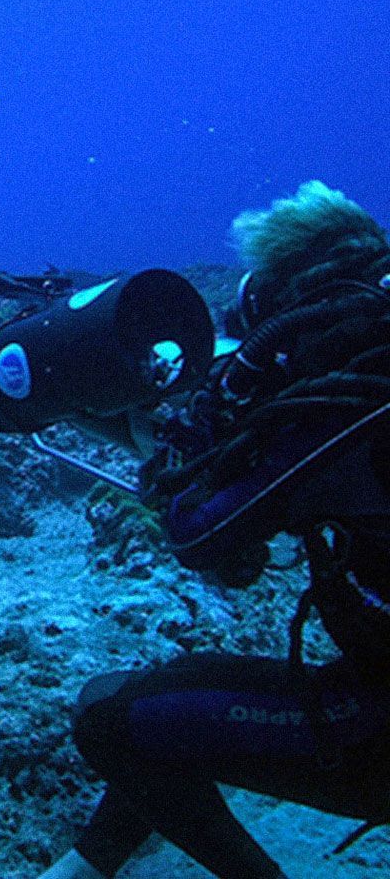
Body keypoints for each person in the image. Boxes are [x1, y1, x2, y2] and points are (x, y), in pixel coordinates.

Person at [40, 182, 390, 879]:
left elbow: (202, 539)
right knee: (179, 686)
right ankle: (88, 863)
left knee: (111, 718)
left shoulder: (351, 412)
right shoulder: (366, 386)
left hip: (380, 730)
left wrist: (185, 442)